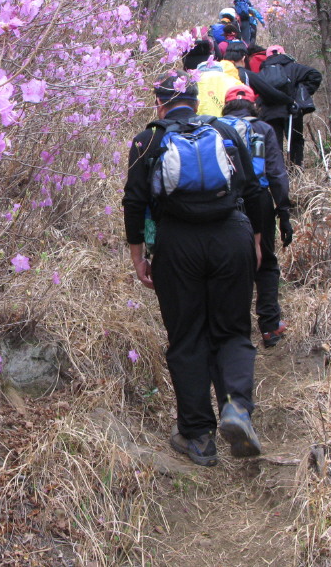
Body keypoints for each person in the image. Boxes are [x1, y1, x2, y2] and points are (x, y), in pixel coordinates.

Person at [122, 72, 264, 467]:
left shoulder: (146, 140)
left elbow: (133, 203)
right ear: (198, 102)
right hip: (231, 236)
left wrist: (139, 257)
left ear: (160, 104)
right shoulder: (224, 130)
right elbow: (254, 191)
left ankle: (198, 436)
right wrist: (254, 243)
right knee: (233, 330)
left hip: (177, 245)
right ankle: (236, 408)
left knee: (187, 338)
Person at [221, 84, 292, 346]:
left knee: (229, 262)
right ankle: (270, 326)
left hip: (226, 202)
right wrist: (283, 212)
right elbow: (276, 173)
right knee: (267, 262)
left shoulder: (216, 127)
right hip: (259, 200)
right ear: (254, 105)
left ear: (226, 106)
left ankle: (233, 330)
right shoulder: (264, 130)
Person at [255, 46, 323, 166]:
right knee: (295, 141)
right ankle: (295, 169)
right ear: (283, 53)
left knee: (274, 143)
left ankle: (278, 171)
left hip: (269, 112)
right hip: (292, 110)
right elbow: (315, 75)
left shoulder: (262, 72)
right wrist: (301, 93)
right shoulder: (293, 67)